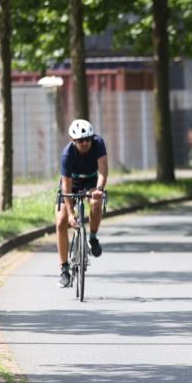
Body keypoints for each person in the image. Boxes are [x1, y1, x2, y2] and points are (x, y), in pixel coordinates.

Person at [56, 119, 108, 287]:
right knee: (61, 222)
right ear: (73, 140)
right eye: (80, 140)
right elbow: (66, 185)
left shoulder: (98, 144)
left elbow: (103, 170)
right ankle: (64, 270)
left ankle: (92, 237)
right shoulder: (67, 155)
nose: (85, 143)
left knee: (96, 202)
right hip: (72, 183)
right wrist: (71, 214)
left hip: (92, 182)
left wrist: (99, 189)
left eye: (88, 139)